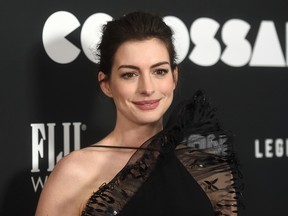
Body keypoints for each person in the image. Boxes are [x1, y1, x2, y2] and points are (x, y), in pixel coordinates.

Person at [35, 11, 241, 216]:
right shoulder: (75, 172)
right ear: (106, 84)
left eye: (159, 71)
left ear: (174, 77)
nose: (147, 88)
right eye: (130, 74)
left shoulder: (206, 162)